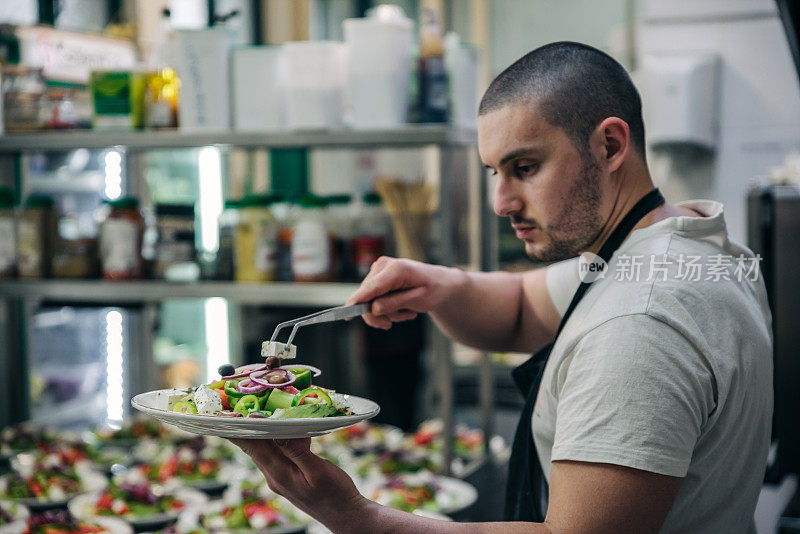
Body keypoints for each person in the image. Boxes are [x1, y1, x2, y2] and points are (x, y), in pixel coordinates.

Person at [231, 42, 773, 533]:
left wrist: (359, 519)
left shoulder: (640, 322)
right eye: (495, 172)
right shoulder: (683, 247)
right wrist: (438, 285)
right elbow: (518, 309)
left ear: (610, 145)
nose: (502, 202)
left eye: (525, 166)